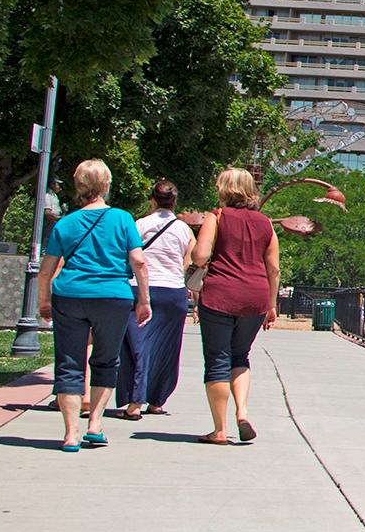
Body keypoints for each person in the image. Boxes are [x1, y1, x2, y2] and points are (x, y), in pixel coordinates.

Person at [38, 159, 150, 451]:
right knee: (106, 360)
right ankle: (95, 425)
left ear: (79, 187)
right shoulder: (123, 219)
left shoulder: (65, 223)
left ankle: (71, 434)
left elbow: (47, 269)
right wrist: (144, 301)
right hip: (113, 297)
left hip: (70, 296)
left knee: (69, 363)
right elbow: (138, 261)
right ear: (106, 186)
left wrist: (44, 301)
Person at [192, 167, 279, 444]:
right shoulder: (266, 223)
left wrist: (204, 259)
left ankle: (219, 430)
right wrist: (271, 304)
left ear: (223, 189)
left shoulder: (216, 217)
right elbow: (273, 269)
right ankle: (242, 413)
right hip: (255, 297)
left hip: (220, 296)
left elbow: (200, 256)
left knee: (217, 360)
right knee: (240, 356)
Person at [116, 179, 196, 419]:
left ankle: (134, 402)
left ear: (152, 199)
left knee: (137, 346)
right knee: (167, 348)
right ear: (174, 201)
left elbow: (130, 254)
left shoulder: (140, 224)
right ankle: (157, 400)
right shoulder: (184, 229)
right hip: (173, 292)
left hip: (141, 289)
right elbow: (189, 259)